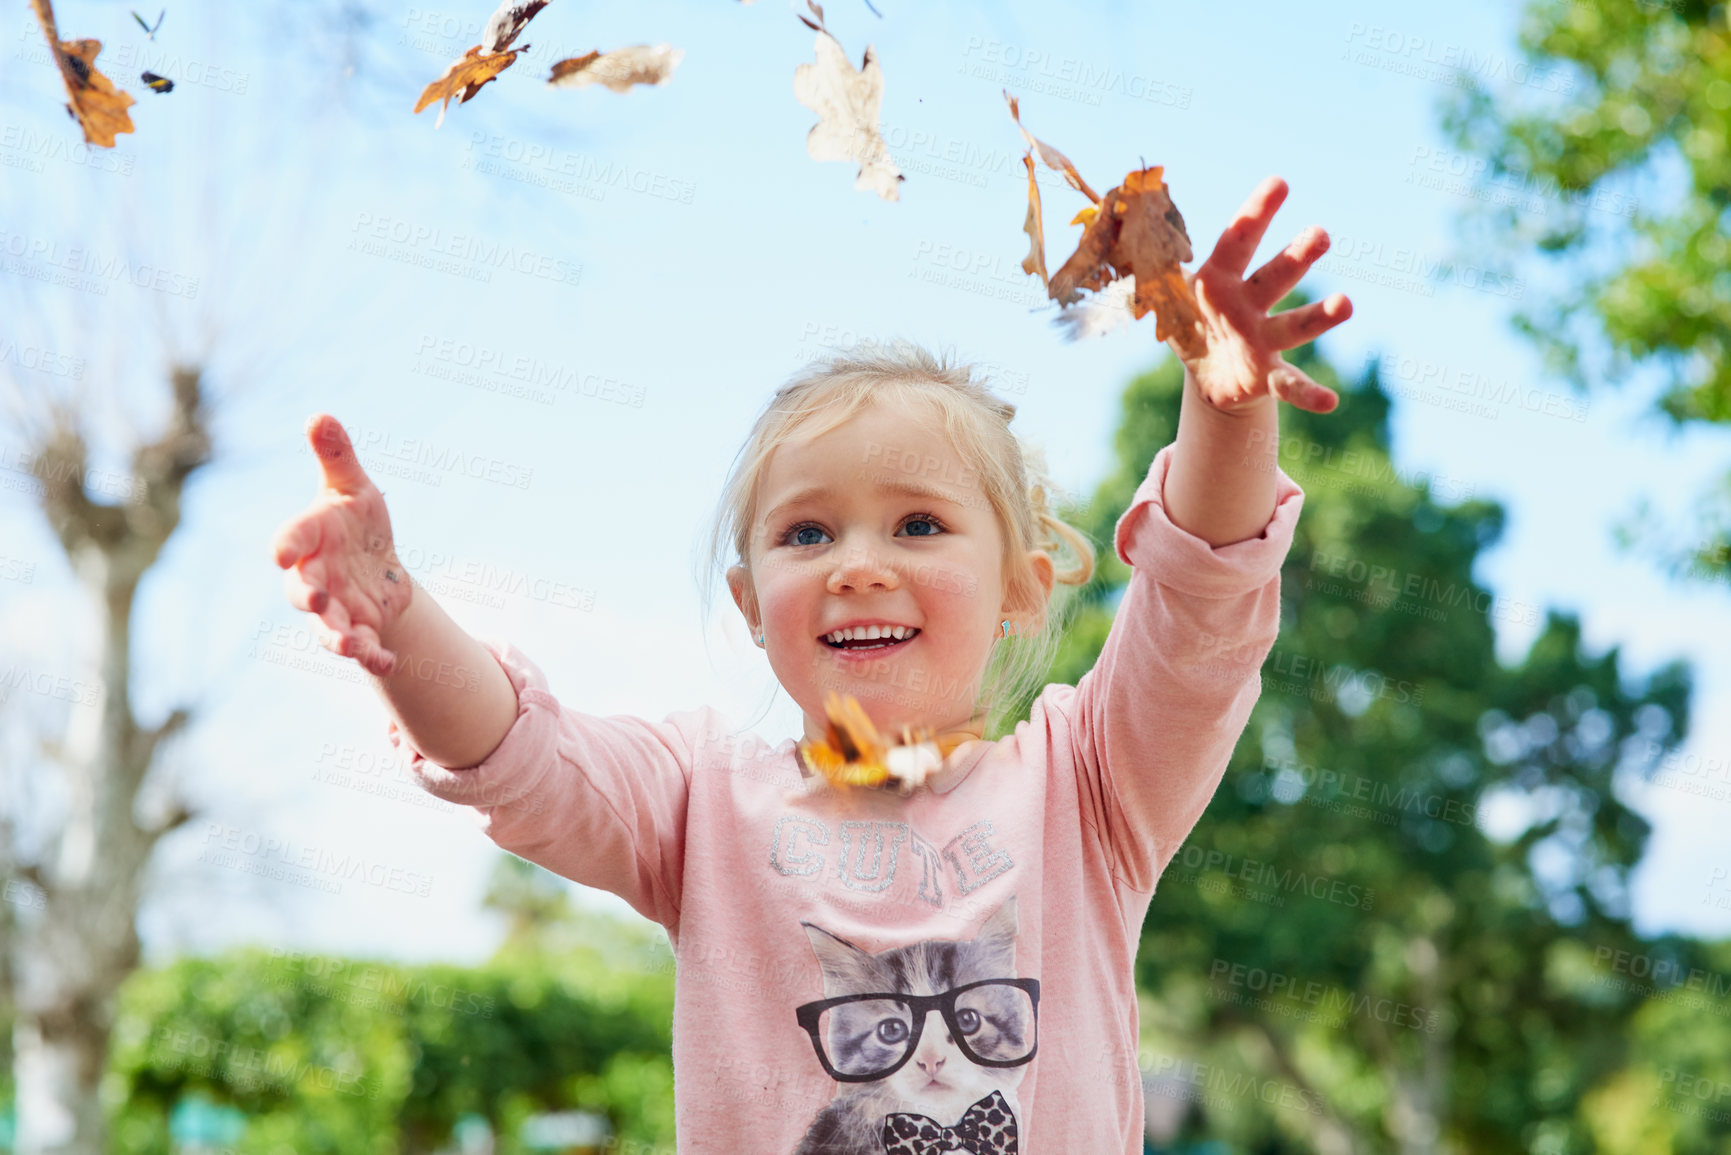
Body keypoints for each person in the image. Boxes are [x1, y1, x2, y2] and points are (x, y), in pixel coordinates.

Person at [270, 174, 1351, 1153]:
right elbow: (518, 756)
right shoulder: (698, 801)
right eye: (806, 534)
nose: (859, 567)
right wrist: (399, 622)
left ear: (1023, 586)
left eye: (920, 525)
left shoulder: (1091, 784)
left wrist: (1225, 404)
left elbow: (1201, 605)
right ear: (749, 606)